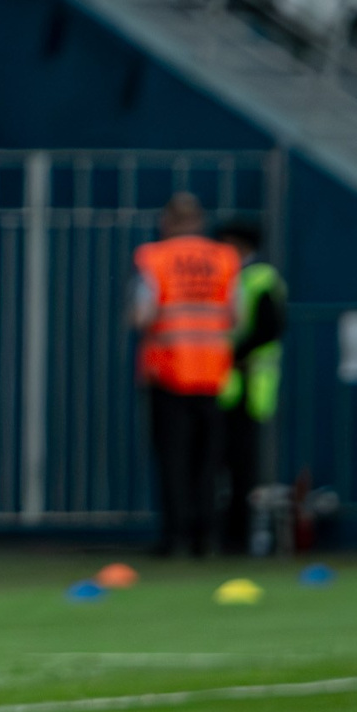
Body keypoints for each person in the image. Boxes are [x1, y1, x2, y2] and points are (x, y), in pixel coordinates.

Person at [129, 192, 238, 558]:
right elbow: (235, 314)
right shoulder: (224, 258)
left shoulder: (154, 257)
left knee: (173, 459)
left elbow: (142, 314)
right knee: (208, 461)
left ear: (167, 221)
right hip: (212, 372)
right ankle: (206, 537)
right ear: (200, 221)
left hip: (169, 371)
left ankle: (175, 537)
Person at [215, 218, 287, 557]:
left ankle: (238, 537)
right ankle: (212, 533)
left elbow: (270, 328)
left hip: (249, 386)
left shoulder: (261, 278)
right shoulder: (223, 276)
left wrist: (233, 354)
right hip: (218, 385)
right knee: (213, 464)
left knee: (242, 467)